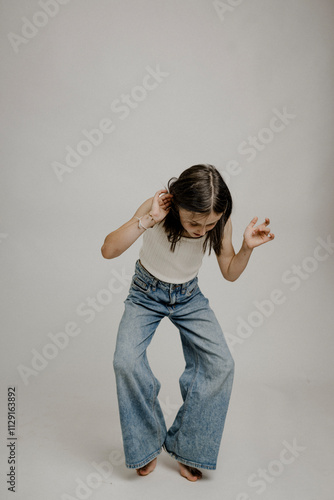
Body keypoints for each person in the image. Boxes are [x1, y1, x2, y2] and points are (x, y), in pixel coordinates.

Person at [101, 164, 275, 481]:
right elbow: (108, 250)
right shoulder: (157, 209)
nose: (201, 230)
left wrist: (246, 248)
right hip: (145, 293)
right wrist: (146, 220)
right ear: (178, 203)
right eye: (194, 221)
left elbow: (230, 273)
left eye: (209, 224)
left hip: (187, 296)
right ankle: (146, 443)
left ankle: (188, 446)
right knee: (125, 362)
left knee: (222, 364)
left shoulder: (219, 223)